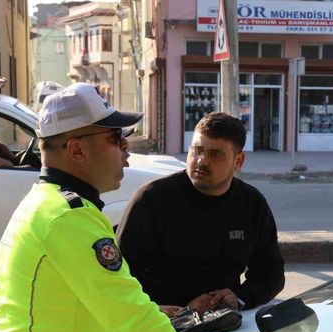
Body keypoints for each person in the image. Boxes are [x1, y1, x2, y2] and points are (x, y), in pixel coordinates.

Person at [0, 83, 214, 332]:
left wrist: (152, 312)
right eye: (114, 137)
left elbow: (82, 305)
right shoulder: (67, 218)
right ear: (76, 150)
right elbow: (134, 321)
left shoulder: (51, 206)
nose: (125, 146)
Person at [117, 112, 285, 314]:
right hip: (162, 326)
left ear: (238, 161)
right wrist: (185, 309)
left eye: (215, 154)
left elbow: (271, 273)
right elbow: (122, 277)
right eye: (196, 151)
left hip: (226, 324)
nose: (201, 161)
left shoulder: (251, 203)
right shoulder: (151, 199)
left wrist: (238, 298)